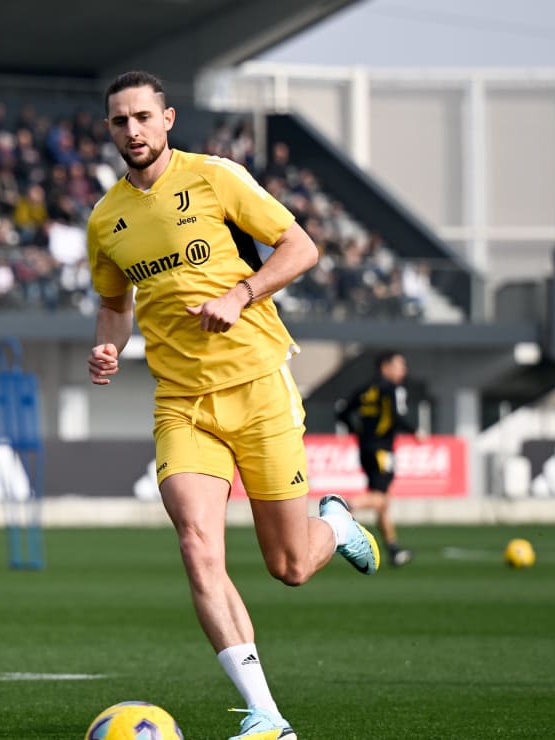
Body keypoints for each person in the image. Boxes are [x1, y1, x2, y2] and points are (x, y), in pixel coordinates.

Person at [86, 70, 380, 740]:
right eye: (118, 122)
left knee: (291, 567)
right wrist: (107, 348)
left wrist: (240, 296)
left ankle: (334, 524)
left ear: (166, 118)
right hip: (182, 404)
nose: (130, 131)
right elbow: (112, 306)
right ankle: (267, 715)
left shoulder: (216, 176)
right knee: (197, 546)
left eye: (141, 117)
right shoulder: (105, 220)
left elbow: (301, 246)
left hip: (258, 389)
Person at [337, 350, 421, 567]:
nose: (404, 370)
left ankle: (393, 550)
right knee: (381, 498)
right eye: (399, 365)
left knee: (383, 500)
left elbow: (343, 412)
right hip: (382, 450)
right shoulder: (391, 388)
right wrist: (414, 430)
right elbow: (396, 415)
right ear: (385, 367)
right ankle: (344, 505)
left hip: (365, 448)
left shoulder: (365, 389)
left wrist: (357, 431)